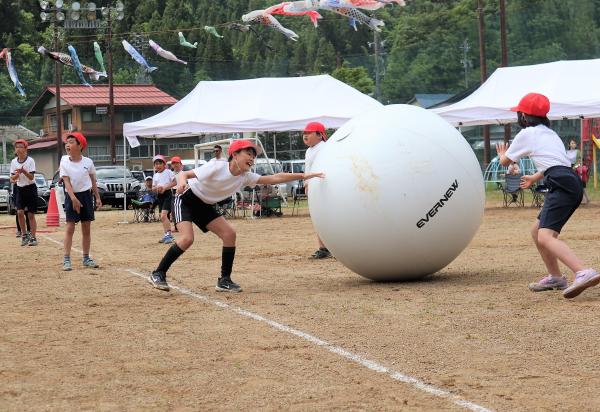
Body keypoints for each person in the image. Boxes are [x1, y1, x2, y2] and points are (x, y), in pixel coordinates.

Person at [149, 139, 324, 293]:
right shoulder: (218, 166)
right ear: (234, 154)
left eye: (253, 156)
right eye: (248, 153)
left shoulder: (245, 177)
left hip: (205, 205)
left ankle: (224, 280)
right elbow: (183, 174)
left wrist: (303, 175)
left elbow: (274, 178)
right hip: (186, 198)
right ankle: (158, 273)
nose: (252, 159)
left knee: (229, 234)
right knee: (187, 239)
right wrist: (180, 183)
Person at [496, 92, 598, 299]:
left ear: (523, 117)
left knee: (545, 236)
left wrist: (501, 155)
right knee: (537, 231)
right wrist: (535, 177)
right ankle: (555, 277)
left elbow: (506, 162)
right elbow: (555, 162)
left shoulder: (527, 134)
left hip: (560, 183)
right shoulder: (550, 134)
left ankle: (583, 272)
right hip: (569, 181)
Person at [60, 133, 102, 271]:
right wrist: (73, 199)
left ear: (80, 145)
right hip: (71, 196)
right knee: (70, 227)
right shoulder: (64, 160)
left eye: (71, 142)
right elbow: (66, 181)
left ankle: (86, 258)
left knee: (86, 228)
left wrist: (97, 198)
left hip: (86, 195)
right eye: (67, 142)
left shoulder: (88, 162)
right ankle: (66, 259)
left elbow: (93, 181)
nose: (67, 144)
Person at [303, 121, 331, 259]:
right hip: (313, 187)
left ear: (320, 135)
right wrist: (306, 183)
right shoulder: (309, 150)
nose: (305, 135)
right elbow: (308, 170)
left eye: (309, 132)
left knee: (323, 218)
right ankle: (323, 247)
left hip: (322, 187)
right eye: (304, 133)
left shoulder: (325, 148)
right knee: (317, 219)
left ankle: (327, 247)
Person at [10, 139, 38, 246]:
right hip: (20, 189)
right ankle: (24, 235)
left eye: (21, 146)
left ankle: (33, 237)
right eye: (17, 147)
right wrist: (17, 175)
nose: (18, 149)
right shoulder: (13, 162)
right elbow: (12, 179)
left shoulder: (30, 160)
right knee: (20, 212)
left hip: (30, 188)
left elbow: (31, 177)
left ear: (26, 148)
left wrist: (24, 171)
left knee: (30, 214)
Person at [152, 155, 176, 243]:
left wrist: (164, 187)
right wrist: (157, 188)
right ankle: (167, 235)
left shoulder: (168, 172)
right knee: (163, 217)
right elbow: (153, 188)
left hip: (168, 195)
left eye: (160, 163)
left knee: (163, 215)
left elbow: (174, 182)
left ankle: (169, 235)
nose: (158, 166)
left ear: (164, 164)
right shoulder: (155, 175)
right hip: (160, 196)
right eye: (156, 164)